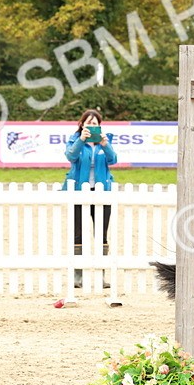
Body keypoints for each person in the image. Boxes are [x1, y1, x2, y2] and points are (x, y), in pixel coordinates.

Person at [64, 109, 118, 289]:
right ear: (82, 124)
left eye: (95, 123)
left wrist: (105, 145)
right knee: (78, 234)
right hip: (79, 191)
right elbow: (71, 156)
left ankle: (101, 276)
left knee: (101, 234)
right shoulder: (74, 140)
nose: (91, 126)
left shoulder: (105, 140)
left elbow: (113, 160)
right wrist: (81, 140)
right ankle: (77, 276)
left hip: (102, 192)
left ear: (99, 126)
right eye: (88, 123)